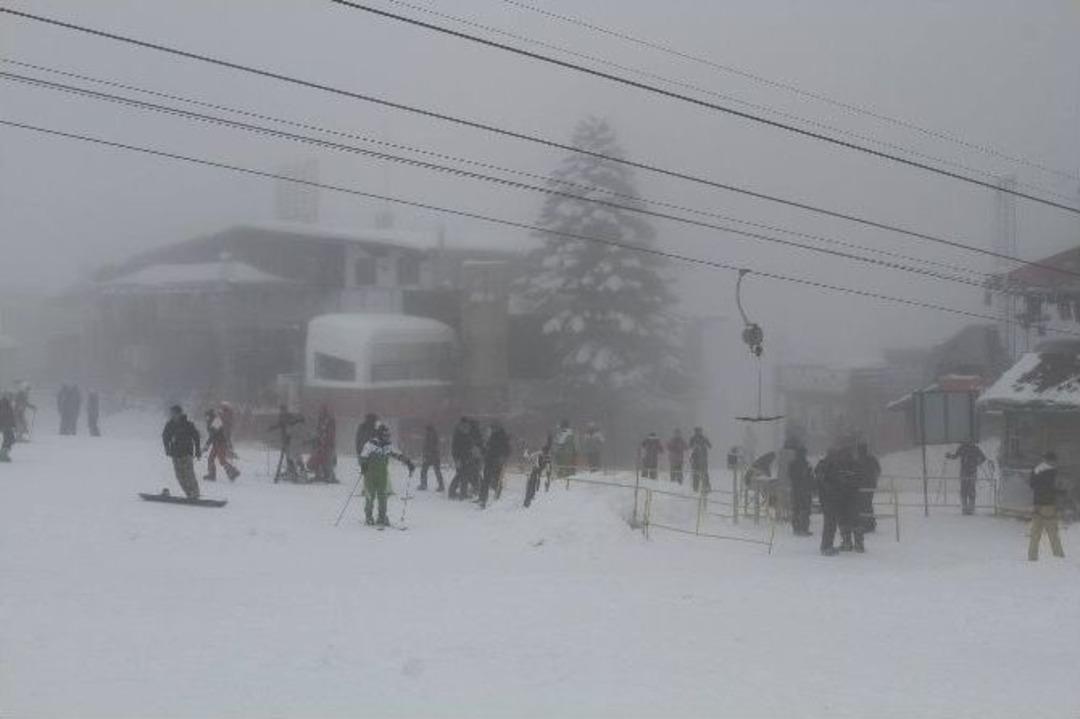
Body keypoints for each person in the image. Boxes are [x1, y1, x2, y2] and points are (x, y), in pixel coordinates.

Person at [358, 422, 415, 526]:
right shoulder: (370, 444)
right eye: (384, 435)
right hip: (370, 475)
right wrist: (363, 465)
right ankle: (369, 517)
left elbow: (398, 455)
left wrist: (408, 462)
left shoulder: (388, 446)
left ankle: (382, 517)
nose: (386, 438)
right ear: (379, 434)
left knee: (383, 497)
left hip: (382, 475)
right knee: (370, 496)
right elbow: (363, 456)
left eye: (388, 436)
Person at [1028, 452, 1065, 561]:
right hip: (1048, 505)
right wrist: (1062, 492)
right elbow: (1052, 488)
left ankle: (1032, 556)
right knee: (1053, 532)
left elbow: (1032, 485)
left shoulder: (1035, 470)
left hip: (1036, 504)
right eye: (1055, 461)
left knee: (1035, 533)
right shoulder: (1052, 472)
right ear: (1051, 461)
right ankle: (1059, 556)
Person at [162, 405, 202, 499]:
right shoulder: (169, 425)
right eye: (171, 414)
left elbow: (196, 437)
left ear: (179, 413)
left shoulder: (188, 424)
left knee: (189, 474)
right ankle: (189, 493)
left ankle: (195, 493)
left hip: (187, 453)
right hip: (175, 453)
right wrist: (167, 448)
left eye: (174, 413)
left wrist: (198, 450)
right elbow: (165, 437)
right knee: (180, 476)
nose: (172, 415)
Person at [946, 440, 987, 516]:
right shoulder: (967, 448)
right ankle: (966, 508)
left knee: (969, 489)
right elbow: (955, 456)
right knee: (966, 489)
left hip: (969, 471)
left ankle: (969, 508)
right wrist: (977, 463)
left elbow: (983, 458)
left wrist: (977, 463)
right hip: (967, 471)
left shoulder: (971, 448)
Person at [269, 405, 305, 482]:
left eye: (283, 410)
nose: (282, 411)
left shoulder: (288, 416)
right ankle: (291, 470)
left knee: (292, 456)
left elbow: (294, 422)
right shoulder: (282, 417)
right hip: (285, 439)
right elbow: (280, 425)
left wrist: (299, 420)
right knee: (288, 456)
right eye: (281, 410)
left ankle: (296, 471)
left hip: (290, 440)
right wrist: (272, 428)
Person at [479, 421, 511, 508]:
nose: (492, 430)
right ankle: (483, 499)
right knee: (486, 480)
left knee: (496, 480)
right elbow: (488, 448)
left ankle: (496, 496)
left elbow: (507, 450)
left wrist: (503, 457)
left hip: (497, 462)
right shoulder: (492, 436)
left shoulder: (503, 437)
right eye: (492, 428)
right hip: (489, 461)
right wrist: (484, 452)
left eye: (494, 428)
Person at [203, 409, 240, 482]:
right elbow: (212, 435)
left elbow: (212, 434)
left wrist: (207, 445)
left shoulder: (216, 421)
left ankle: (233, 472)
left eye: (207, 416)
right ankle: (212, 475)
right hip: (215, 443)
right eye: (206, 416)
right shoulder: (210, 422)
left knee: (222, 460)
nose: (206, 418)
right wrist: (207, 445)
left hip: (220, 443)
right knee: (210, 459)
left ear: (210, 415)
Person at [448, 417, 478, 500]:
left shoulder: (464, 432)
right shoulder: (459, 433)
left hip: (466, 457)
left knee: (463, 475)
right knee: (462, 475)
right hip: (461, 458)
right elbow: (455, 448)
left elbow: (468, 444)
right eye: (465, 424)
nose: (467, 426)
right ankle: (456, 493)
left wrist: (472, 450)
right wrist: (457, 459)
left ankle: (457, 492)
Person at [307, 404, 337, 483]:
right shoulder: (320, 420)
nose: (320, 413)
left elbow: (331, 434)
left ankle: (329, 476)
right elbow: (318, 431)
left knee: (327, 461)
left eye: (322, 411)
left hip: (327, 445)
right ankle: (319, 474)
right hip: (319, 444)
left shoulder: (329, 421)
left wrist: (326, 441)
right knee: (318, 459)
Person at [856, 442, 881, 532]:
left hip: (863, 486)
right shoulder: (871, 459)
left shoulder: (859, 460)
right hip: (869, 485)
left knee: (864, 505)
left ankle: (867, 524)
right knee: (867, 504)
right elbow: (878, 470)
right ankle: (870, 523)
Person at [789, 445, 813, 536]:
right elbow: (810, 477)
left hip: (796, 489)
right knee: (805, 509)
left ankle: (797, 528)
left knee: (796, 509)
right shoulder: (806, 464)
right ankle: (803, 528)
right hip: (804, 490)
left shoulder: (792, 464)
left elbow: (791, 476)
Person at [524, 434, 553, 508]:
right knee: (531, 485)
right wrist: (526, 451)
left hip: (536, 472)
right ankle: (528, 500)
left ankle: (529, 499)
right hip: (534, 472)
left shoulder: (546, 457)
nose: (544, 453)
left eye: (545, 452)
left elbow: (548, 469)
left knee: (532, 485)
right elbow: (528, 457)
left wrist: (547, 480)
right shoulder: (539, 454)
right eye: (544, 452)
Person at [419, 424, 444, 491]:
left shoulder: (431, 436)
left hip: (431, 456)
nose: (425, 432)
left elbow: (430, 446)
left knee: (424, 471)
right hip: (434, 456)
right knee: (437, 471)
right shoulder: (433, 435)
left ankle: (423, 485)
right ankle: (441, 485)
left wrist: (426, 454)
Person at [689, 428, 712, 493]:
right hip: (695, 459)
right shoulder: (692, 439)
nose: (698, 432)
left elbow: (710, 446)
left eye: (699, 431)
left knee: (704, 473)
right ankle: (695, 488)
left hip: (703, 459)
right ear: (695, 432)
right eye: (697, 431)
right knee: (696, 474)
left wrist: (704, 444)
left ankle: (706, 487)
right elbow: (689, 447)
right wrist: (694, 447)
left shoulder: (704, 438)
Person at [0, 394, 16, 462]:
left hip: (7, 425)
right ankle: (3, 455)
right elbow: (3, 414)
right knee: (9, 439)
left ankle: (3, 454)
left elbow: (11, 415)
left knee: (10, 439)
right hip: (5, 425)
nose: (12, 399)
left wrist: (13, 424)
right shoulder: (4, 404)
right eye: (10, 397)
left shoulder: (7, 404)